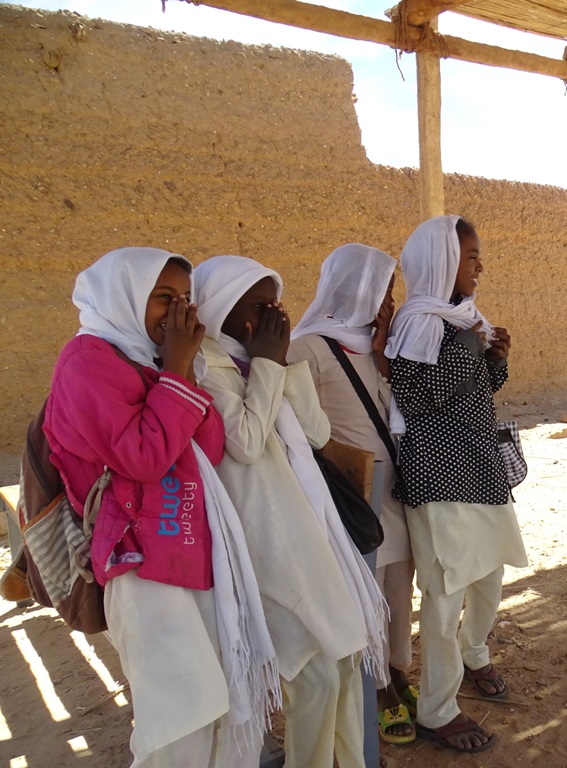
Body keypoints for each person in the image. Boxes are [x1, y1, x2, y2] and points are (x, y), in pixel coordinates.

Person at [44, 247, 278, 768]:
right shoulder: (87, 362)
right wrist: (175, 370)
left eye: (186, 300)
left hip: (189, 553)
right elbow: (144, 458)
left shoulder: (150, 361)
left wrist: (181, 371)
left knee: (219, 708)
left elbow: (208, 449)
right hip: (141, 566)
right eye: (163, 298)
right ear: (125, 296)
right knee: (180, 723)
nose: (178, 313)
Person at [193, 255, 387, 768]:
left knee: (344, 662)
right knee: (314, 677)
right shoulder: (203, 368)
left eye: (276, 305)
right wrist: (267, 364)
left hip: (302, 533)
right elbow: (247, 442)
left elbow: (317, 434)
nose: (273, 318)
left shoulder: (258, 360)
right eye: (259, 306)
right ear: (219, 310)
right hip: (259, 542)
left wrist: (277, 365)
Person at [384, 215, 528, 754]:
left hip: (480, 468)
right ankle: (437, 710)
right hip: (438, 477)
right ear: (442, 260)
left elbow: (475, 391)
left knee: (489, 579)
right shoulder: (418, 322)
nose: (480, 266)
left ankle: (475, 653)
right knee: (444, 599)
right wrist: (470, 347)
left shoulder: (464, 320)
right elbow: (417, 398)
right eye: (471, 256)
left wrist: (495, 359)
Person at [288, 244, 419, 747]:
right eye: (382, 289)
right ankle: (379, 691)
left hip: (393, 489)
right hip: (351, 495)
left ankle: (396, 669)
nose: (389, 299)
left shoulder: (376, 346)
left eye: (391, 289)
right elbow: (299, 426)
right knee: (365, 594)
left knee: (397, 587)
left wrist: (385, 355)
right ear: (355, 291)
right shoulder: (310, 347)